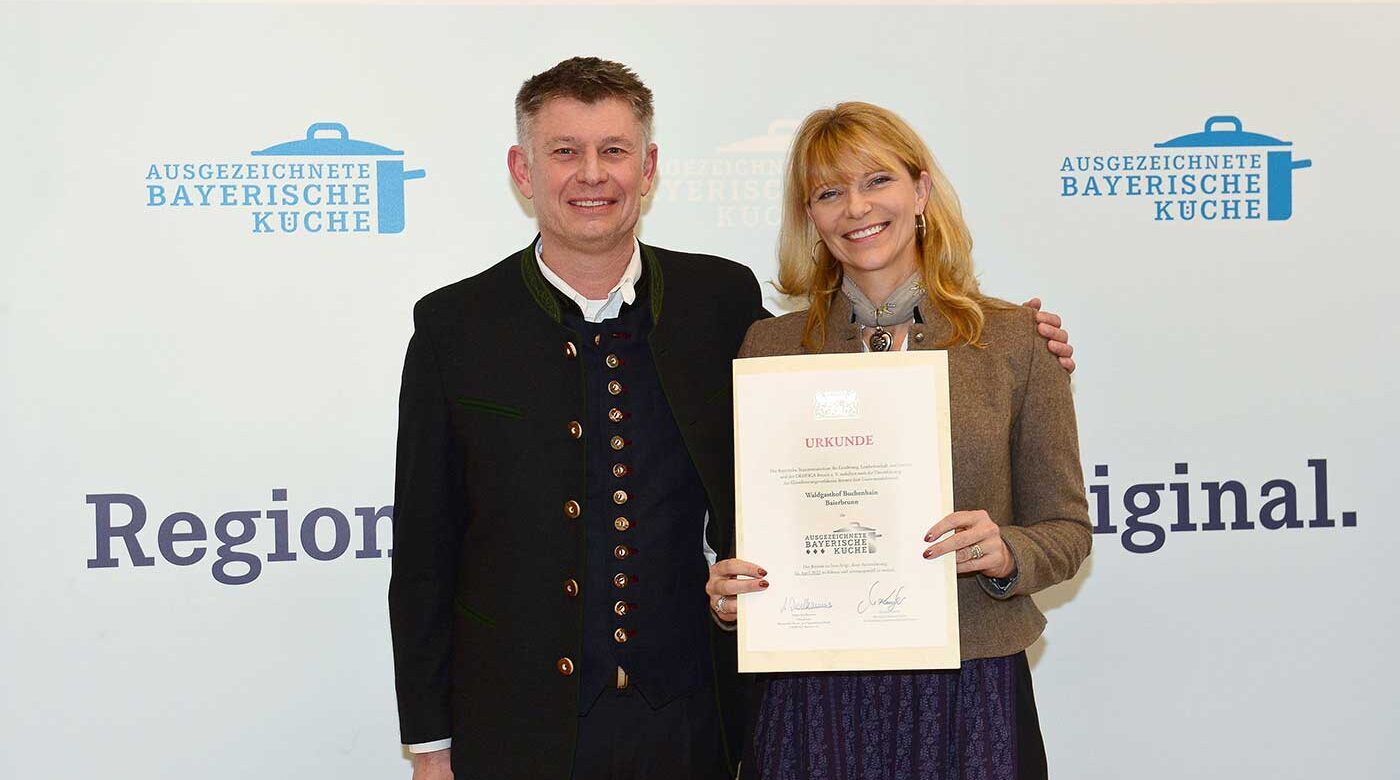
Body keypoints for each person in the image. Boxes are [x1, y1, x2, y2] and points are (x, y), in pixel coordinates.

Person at [389, 59, 1075, 780]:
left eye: (614, 150)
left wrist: (1021, 342)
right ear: (522, 171)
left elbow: (1052, 516)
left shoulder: (719, 304)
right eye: (564, 151)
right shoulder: (455, 327)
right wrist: (431, 747)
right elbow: (426, 557)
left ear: (648, 168)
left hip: (698, 723)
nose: (592, 174)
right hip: (521, 727)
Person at [706, 102, 1092, 780]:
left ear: (920, 191)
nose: (855, 208)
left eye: (876, 180)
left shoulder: (1013, 340)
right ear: (811, 218)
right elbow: (765, 532)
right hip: (811, 693)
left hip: (970, 690)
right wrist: (737, 590)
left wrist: (1006, 551)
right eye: (829, 192)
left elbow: (1066, 531)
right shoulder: (766, 348)